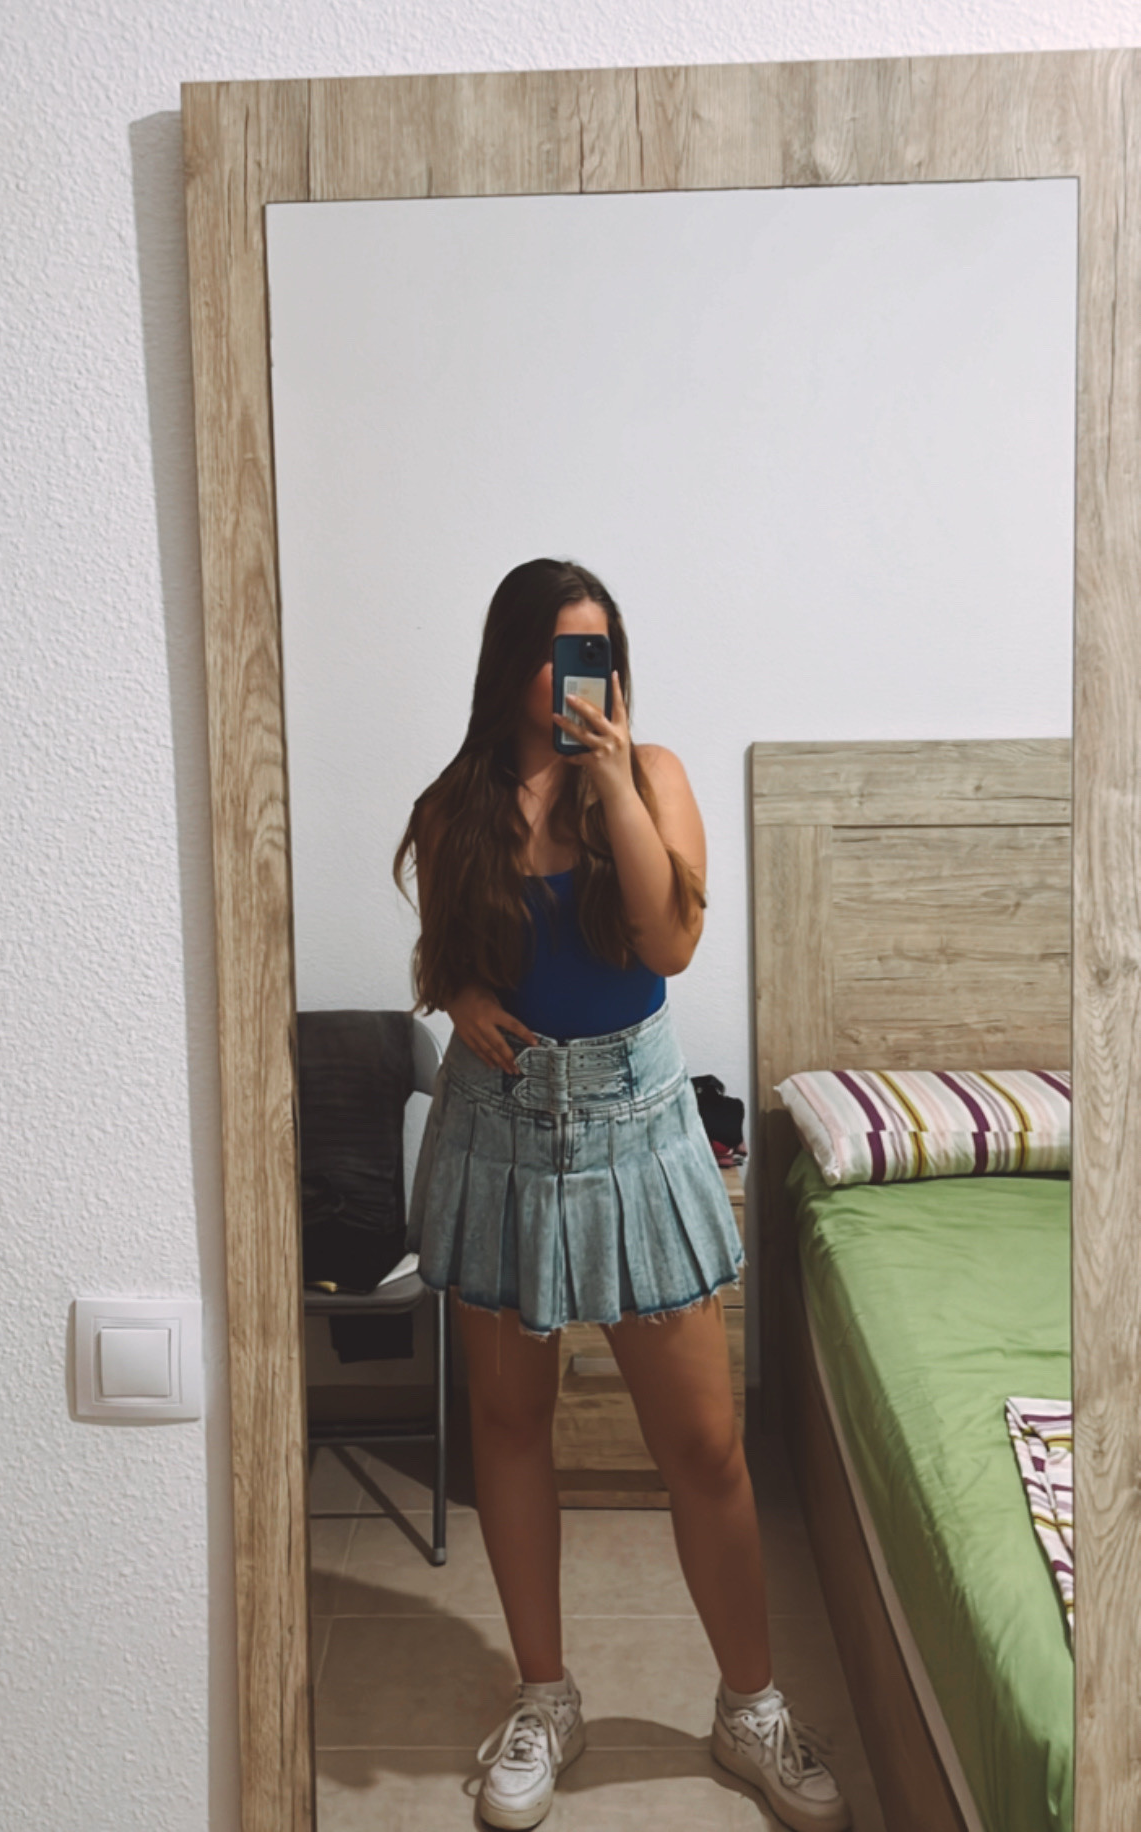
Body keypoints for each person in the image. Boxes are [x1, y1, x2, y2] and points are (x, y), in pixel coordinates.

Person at [395, 558, 850, 1832]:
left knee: (702, 1443)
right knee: (508, 1426)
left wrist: (609, 778)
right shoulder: (454, 805)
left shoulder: (653, 779)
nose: (577, 677)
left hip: (639, 1130)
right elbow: (445, 958)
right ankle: (546, 1698)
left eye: (596, 650)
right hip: (501, 1130)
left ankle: (749, 1706)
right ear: (510, 665)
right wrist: (461, 995)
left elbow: (669, 942)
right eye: (556, 651)